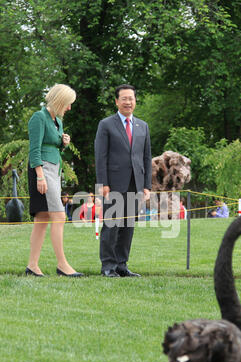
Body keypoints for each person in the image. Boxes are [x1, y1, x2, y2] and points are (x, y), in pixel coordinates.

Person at [26, 84, 84, 277]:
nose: (69, 108)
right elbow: (34, 150)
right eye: (68, 104)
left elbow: (53, 146)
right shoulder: (39, 117)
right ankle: (62, 265)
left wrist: (63, 143)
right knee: (59, 216)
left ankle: (32, 266)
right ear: (60, 101)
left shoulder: (57, 121)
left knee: (42, 217)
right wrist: (40, 176)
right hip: (42, 170)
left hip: (54, 170)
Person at [94, 84, 152, 277]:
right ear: (117, 101)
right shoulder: (106, 124)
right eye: (124, 98)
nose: (128, 102)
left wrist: (146, 186)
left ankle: (121, 265)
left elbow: (146, 158)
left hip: (136, 184)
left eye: (131, 98)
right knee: (111, 226)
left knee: (127, 227)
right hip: (113, 184)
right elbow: (100, 157)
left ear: (135, 101)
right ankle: (108, 266)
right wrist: (103, 184)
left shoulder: (142, 126)